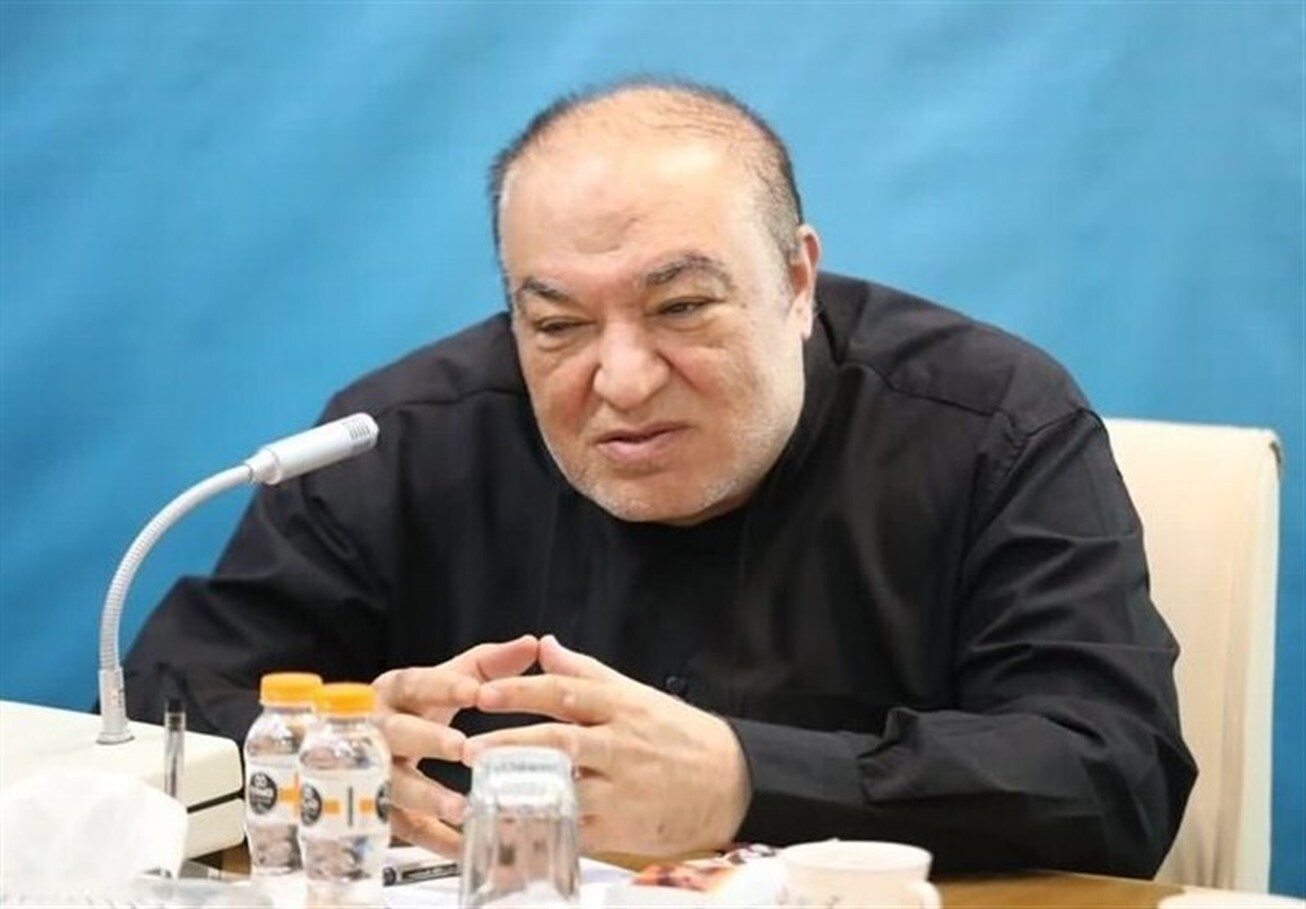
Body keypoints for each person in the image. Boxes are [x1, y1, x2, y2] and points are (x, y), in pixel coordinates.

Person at [124, 79, 1195, 876]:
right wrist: (324, 745)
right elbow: (161, 703)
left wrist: (745, 778)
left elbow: (1115, 772)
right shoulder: (402, 439)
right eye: (557, 325)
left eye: (681, 308)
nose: (623, 381)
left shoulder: (992, 423)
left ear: (796, 279)